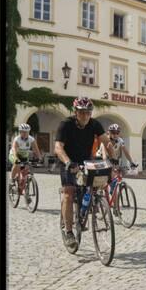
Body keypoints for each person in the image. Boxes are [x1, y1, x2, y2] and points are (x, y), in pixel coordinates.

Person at [54, 97, 113, 252]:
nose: (85, 116)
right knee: (69, 193)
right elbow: (58, 148)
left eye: (88, 113)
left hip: (86, 162)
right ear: (76, 112)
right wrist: (68, 162)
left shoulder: (94, 124)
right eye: (82, 113)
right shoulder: (65, 124)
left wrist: (112, 155)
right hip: (68, 161)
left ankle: (85, 211)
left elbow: (105, 141)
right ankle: (68, 232)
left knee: (90, 189)